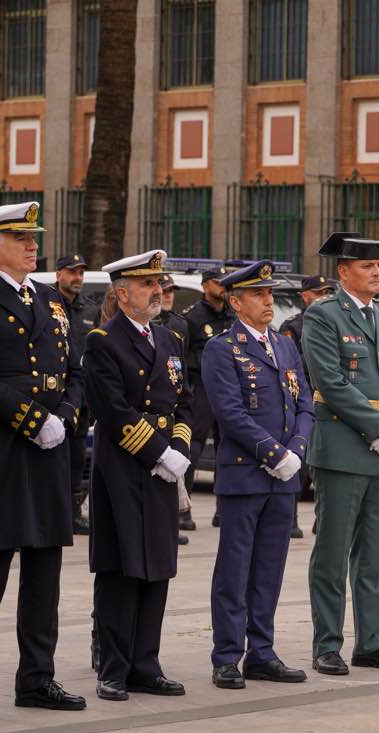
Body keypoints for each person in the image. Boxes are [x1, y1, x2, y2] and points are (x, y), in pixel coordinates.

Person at [0, 201, 85, 721]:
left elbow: (76, 370)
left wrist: (65, 417)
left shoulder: (49, 300)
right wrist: (33, 419)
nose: (33, 245)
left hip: (49, 453)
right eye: (21, 238)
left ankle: (37, 678)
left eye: (33, 238)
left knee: (44, 571)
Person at [83, 250, 192, 702]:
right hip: (125, 467)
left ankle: (146, 664)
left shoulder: (169, 341)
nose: (157, 292)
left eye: (158, 284)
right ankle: (114, 667)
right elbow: (113, 410)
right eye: (148, 285)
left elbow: (184, 401)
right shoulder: (103, 341)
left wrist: (181, 449)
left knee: (157, 569)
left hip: (165, 468)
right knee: (121, 568)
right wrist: (157, 452)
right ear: (122, 293)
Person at [303, 232, 379, 676]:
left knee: (372, 554)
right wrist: (378, 426)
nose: (376, 273)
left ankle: (371, 641)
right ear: (344, 272)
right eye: (367, 267)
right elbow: (330, 381)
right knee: (332, 552)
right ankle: (327, 643)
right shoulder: (324, 315)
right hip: (344, 446)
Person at [206, 261, 313, 688]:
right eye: (258, 295)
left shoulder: (284, 345)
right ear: (235, 302)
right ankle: (228, 655)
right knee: (235, 569)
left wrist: (297, 451)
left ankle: (262, 652)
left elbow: (305, 400)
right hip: (245, 472)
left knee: (270, 567)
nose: (269, 301)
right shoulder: (222, 348)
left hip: (284, 475)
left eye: (270, 294)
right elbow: (228, 412)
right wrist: (272, 452)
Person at [279, 274, 335, 537]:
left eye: (328, 292)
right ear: (305, 296)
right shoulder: (294, 326)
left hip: (331, 402)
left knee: (325, 463)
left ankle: (322, 517)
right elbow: (289, 366)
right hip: (303, 400)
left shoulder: (336, 324)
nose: (324, 297)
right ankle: (290, 518)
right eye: (319, 292)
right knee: (299, 463)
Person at [181, 266, 234, 527]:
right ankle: (183, 509)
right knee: (193, 448)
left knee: (228, 448)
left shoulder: (231, 316)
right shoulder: (192, 318)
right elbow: (182, 355)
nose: (223, 287)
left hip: (227, 389)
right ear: (205, 286)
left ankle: (223, 510)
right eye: (218, 282)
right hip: (200, 388)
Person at [54, 253, 97, 535]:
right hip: (53, 398)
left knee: (76, 458)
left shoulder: (90, 310)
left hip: (81, 400)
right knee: (50, 459)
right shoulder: (47, 305)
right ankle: (52, 514)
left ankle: (72, 514)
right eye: (72, 272)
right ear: (59, 274)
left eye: (81, 272)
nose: (78, 278)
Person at [152, 274, 193, 546]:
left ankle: (174, 522)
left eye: (170, 291)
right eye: (162, 290)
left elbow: (181, 377)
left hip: (174, 414)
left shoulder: (179, 326)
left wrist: (179, 443)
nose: (167, 295)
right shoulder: (148, 324)